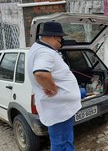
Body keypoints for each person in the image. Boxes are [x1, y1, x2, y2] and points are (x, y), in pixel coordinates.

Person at [27, 21, 81, 151]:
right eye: (60, 38)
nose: (61, 41)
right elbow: (41, 73)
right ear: (52, 37)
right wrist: (53, 88)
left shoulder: (38, 48)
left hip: (61, 108)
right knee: (59, 142)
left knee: (66, 140)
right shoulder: (45, 53)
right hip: (58, 109)